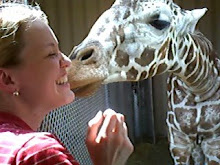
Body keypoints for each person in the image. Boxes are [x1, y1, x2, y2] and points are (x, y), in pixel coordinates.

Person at [0, 2, 134, 165]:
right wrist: (108, 161)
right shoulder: (36, 154)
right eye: (51, 54)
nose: (67, 61)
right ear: (8, 79)